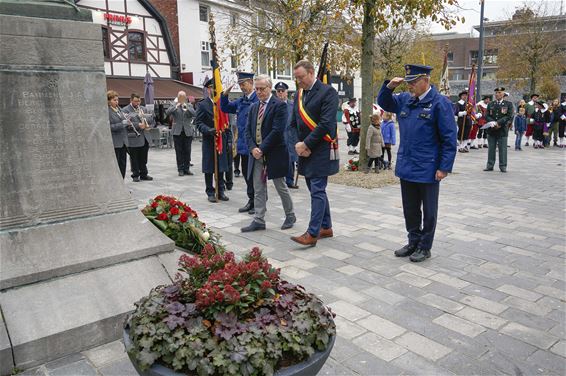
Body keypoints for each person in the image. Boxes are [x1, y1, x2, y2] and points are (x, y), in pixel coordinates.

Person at [377, 64, 457, 262]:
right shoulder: (405, 100)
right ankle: (413, 241)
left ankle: (424, 246)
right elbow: (384, 102)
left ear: (426, 81)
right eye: (408, 82)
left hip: (429, 167)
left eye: (413, 82)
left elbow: (449, 138)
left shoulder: (439, 103)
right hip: (407, 164)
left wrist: (444, 167)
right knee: (410, 208)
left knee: (429, 211)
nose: (410, 86)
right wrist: (389, 87)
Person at [289, 60, 339, 247]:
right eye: (296, 78)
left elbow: (326, 123)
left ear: (311, 73)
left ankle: (312, 233)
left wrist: (307, 143)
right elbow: (293, 123)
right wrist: (297, 144)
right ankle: (326, 227)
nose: (298, 81)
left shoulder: (328, 92)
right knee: (314, 188)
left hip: (320, 150)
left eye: (301, 77)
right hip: (304, 150)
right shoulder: (299, 94)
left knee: (317, 189)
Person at [240, 75, 296, 232]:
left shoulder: (279, 106)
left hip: (274, 153)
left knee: (280, 186)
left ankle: (290, 215)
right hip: (257, 154)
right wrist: (253, 148)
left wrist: (262, 149)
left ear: (269, 88)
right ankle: (259, 219)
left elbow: (277, 131)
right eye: (256, 89)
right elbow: (247, 131)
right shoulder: (253, 107)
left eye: (262, 89)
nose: (258, 92)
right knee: (258, 187)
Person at [220, 72, 258, 214]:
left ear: (251, 83)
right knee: (247, 174)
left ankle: (258, 202)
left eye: (244, 84)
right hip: (243, 144)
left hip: (254, 145)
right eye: (240, 84)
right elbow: (225, 108)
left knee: (255, 176)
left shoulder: (257, 99)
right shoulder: (241, 101)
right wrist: (225, 95)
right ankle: (251, 200)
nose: (242, 87)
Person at [194, 79, 231, 202]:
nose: (214, 90)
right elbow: (198, 123)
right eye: (211, 88)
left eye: (216, 88)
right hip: (209, 140)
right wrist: (208, 130)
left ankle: (220, 190)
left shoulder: (222, 103)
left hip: (221, 138)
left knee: (221, 166)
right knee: (209, 167)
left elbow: (227, 122)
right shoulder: (202, 104)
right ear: (208, 89)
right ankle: (210, 191)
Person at [122, 93, 155, 182]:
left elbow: (151, 120)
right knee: (134, 158)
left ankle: (144, 174)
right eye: (136, 101)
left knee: (144, 157)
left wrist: (147, 121)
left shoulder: (143, 109)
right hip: (134, 137)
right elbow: (125, 124)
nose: (138, 103)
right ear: (131, 100)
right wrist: (138, 125)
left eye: (139, 101)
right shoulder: (126, 110)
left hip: (145, 136)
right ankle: (135, 175)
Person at [275, 81, 299, 189]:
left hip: (290, 136)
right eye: (278, 91)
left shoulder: (293, 105)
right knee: (279, 159)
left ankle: (290, 180)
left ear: (286, 92)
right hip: (278, 136)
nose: (280, 93)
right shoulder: (273, 105)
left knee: (291, 159)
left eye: (282, 91)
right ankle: (280, 181)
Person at [483, 87, 514, 172]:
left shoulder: (508, 104)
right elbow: (487, 115)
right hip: (492, 129)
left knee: (503, 149)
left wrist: (499, 123)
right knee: (491, 149)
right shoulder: (491, 104)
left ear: (503, 94)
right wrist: (493, 122)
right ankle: (490, 165)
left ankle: (503, 166)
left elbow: (509, 116)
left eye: (499, 92)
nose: (497, 94)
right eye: (496, 92)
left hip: (502, 129)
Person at [166, 91, 196, 176]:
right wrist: (176, 106)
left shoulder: (189, 105)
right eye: (180, 97)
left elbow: (195, 114)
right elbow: (167, 112)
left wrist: (187, 107)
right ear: (178, 97)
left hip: (187, 132)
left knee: (187, 151)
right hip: (177, 132)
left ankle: (187, 168)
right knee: (179, 151)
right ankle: (180, 169)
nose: (182, 99)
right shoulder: (173, 105)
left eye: (183, 97)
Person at [107, 90, 130, 179]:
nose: (116, 102)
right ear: (109, 101)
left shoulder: (119, 110)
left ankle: (122, 184)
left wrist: (128, 121)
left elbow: (124, 123)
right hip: (115, 142)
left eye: (117, 100)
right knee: (116, 165)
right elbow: (109, 127)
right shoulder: (107, 111)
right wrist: (122, 124)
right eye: (114, 100)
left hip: (123, 142)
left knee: (123, 164)